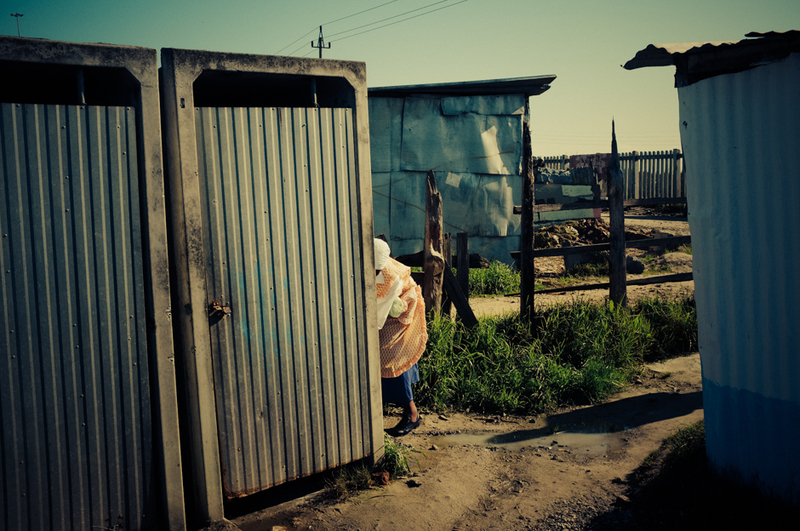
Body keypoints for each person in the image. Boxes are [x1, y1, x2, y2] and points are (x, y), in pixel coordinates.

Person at [374, 239, 427, 437]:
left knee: (393, 355)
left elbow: (379, 309)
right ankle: (380, 408)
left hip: (402, 309)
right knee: (386, 355)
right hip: (387, 310)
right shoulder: (368, 265)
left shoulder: (390, 275)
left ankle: (412, 414)